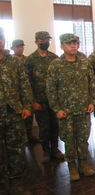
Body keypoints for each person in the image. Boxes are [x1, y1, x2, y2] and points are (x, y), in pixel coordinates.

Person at [47, 33, 95, 181]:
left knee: (83, 138)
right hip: (66, 111)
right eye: (69, 43)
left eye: (75, 43)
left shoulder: (84, 63)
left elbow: (92, 84)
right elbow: (51, 89)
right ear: (62, 46)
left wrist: (92, 101)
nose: (73, 46)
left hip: (83, 109)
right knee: (69, 139)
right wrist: (56, 108)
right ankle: (72, 167)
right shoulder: (56, 65)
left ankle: (83, 164)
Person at [0, 27, 33, 194]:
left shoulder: (14, 62)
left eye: (1, 38)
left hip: (14, 112)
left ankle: (17, 181)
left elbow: (24, 86)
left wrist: (27, 106)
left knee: (17, 148)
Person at [25, 31, 64, 162]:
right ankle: (46, 151)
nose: (45, 42)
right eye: (42, 40)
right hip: (39, 101)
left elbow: (60, 80)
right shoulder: (30, 60)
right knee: (44, 128)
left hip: (54, 101)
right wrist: (32, 101)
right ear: (36, 41)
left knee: (55, 126)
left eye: (47, 40)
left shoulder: (54, 58)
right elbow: (27, 83)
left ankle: (55, 149)